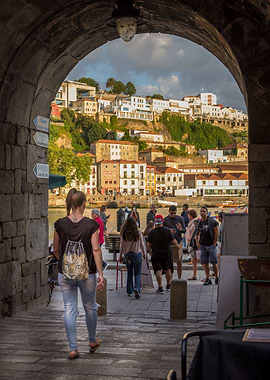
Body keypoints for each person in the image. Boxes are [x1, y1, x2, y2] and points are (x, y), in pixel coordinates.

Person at [53, 188, 104, 360]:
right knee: (90, 306)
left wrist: (66, 263)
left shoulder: (59, 224)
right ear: (83, 204)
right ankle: (91, 340)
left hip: (65, 273)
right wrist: (101, 274)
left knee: (69, 308)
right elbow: (96, 249)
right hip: (87, 272)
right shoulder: (91, 225)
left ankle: (73, 348)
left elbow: (55, 249)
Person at [147, 215, 179, 294]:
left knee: (158, 270)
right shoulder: (167, 230)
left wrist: (149, 251)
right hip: (167, 253)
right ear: (162, 221)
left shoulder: (152, 232)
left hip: (156, 254)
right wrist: (177, 246)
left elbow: (148, 245)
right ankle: (168, 285)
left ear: (155, 222)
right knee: (168, 269)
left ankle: (160, 287)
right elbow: (174, 242)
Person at [120, 217, 147, 298]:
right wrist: (144, 253)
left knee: (129, 273)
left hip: (128, 255)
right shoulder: (138, 233)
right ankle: (137, 288)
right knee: (137, 273)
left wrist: (120, 255)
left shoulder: (124, 233)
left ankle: (129, 291)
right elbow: (142, 244)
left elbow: (122, 245)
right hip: (137, 254)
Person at [197, 206, 219, 285]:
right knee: (205, 262)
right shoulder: (200, 222)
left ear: (207, 212)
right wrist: (197, 242)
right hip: (203, 245)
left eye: (204, 211)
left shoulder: (212, 221)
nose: (202, 213)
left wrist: (214, 242)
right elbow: (198, 232)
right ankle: (207, 278)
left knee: (214, 262)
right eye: (201, 211)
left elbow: (216, 232)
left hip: (210, 245)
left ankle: (217, 277)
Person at [163, 205, 186, 279]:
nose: (172, 214)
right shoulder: (165, 220)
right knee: (170, 262)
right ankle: (170, 280)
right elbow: (162, 230)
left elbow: (184, 230)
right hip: (169, 242)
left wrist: (180, 229)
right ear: (169, 211)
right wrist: (168, 231)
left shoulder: (180, 219)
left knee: (179, 261)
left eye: (174, 213)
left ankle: (179, 278)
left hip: (178, 241)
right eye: (171, 213)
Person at [185, 209, 200, 280]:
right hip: (190, 242)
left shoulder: (195, 222)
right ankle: (194, 274)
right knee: (194, 259)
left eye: (189, 214)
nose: (187, 216)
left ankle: (194, 275)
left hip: (193, 243)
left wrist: (192, 238)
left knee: (195, 260)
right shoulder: (191, 222)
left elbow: (195, 232)